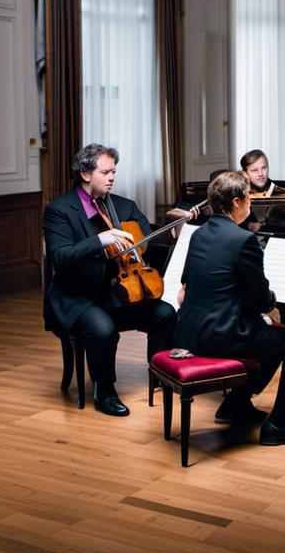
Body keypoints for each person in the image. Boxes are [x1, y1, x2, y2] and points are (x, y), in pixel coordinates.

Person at [174, 171, 285, 445]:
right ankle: (280, 422)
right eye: (248, 199)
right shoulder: (243, 240)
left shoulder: (199, 235)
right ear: (235, 202)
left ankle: (235, 405)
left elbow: (189, 284)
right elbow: (261, 298)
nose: (250, 205)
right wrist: (273, 298)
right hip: (222, 335)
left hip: (190, 331)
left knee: (275, 337)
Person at [42, 144, 177, 416]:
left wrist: (176, 228)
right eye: (105, 172)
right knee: (103, 330)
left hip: (118, 292)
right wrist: (99, 240)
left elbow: (147, 241)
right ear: (85, 173)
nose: (112, 177)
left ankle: (160, 374)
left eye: (114, 171)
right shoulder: (59, 210)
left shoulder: (123, 206)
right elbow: (60, 257)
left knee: (165, 313)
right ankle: (104, 391)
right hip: (78, 298)